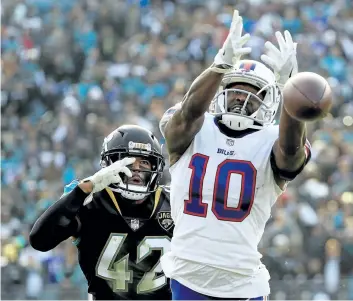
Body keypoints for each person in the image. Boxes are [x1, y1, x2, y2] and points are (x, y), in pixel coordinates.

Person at [159, 10, 312, 300]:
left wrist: (292, 89)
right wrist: (219, 66)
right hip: (187, 274)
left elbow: (291, 154)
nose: (241, 98)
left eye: (252, 92)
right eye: (235, 90)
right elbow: (188, 112)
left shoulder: (272, 140)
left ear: (270, 101)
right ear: (221, 92)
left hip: (242, 280)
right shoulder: (194, 129)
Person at [30, 125, 174, 300]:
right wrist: (82, 190)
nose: (137, 168)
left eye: (144, 161)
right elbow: (40, 240)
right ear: (110, 164)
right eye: (128, 160)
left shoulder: (172, 202)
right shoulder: (90, 200)